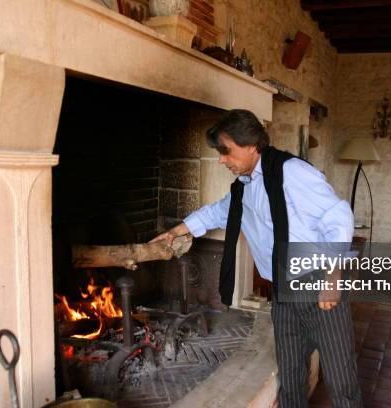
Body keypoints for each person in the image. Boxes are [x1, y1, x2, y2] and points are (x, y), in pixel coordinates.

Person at [150, 109, 362, 408]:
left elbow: (338, 215)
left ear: (251, 145)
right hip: (282, 288)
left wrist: (334, 276)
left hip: (317, 282)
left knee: (341, 378)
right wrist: (176, 231)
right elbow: (217, 212)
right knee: (290, 374)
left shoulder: (291, 172)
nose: (221, 159)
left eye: (226, 151)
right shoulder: (244, 187)